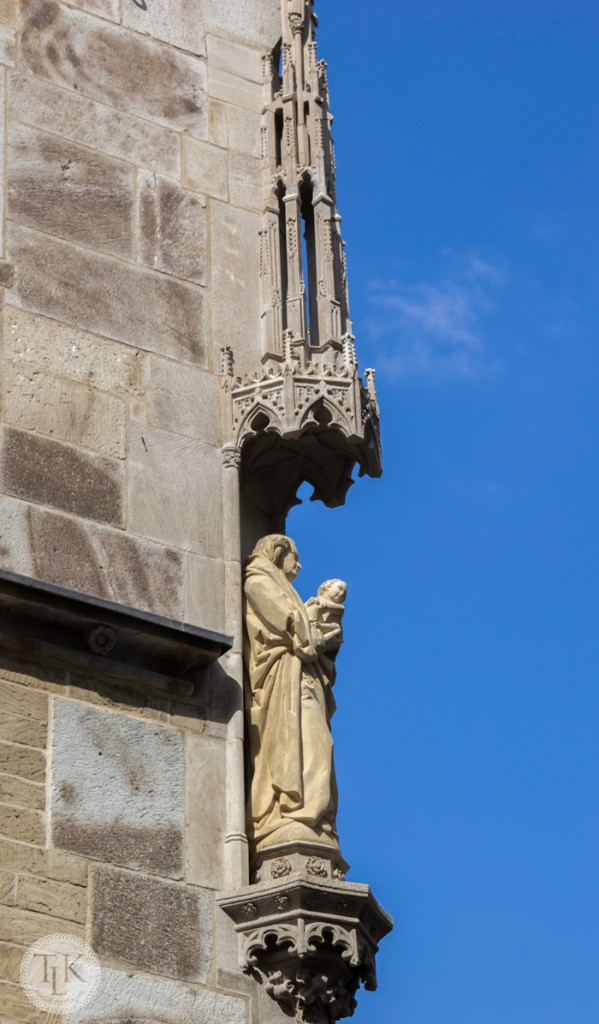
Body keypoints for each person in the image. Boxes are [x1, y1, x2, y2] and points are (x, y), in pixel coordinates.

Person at [243, 535, 345, 853]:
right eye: (295, 558)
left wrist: (321, 616)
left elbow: (308, 637)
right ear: (279, 552)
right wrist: (316, 623)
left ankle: (316, 818)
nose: (298, 566)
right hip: (282, 680)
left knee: (319, 744)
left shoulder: (284, 589)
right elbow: (298, 633)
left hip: (302, 678)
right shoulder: (258, 581)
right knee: (307, 744)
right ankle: (291, 813)